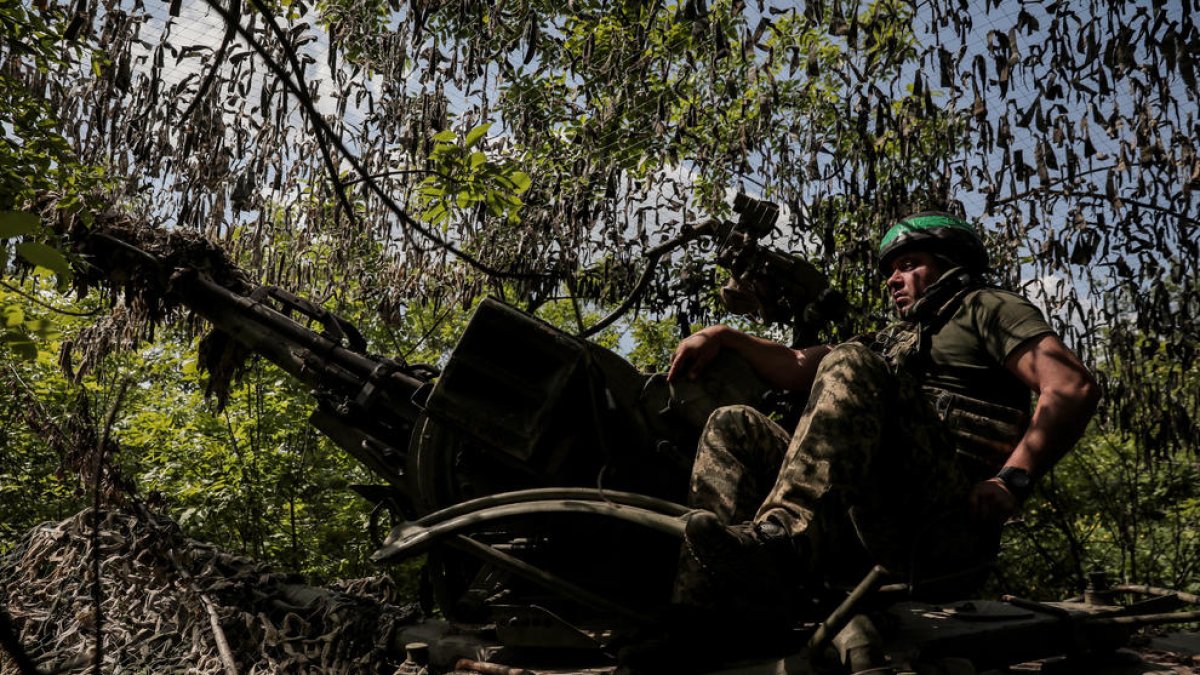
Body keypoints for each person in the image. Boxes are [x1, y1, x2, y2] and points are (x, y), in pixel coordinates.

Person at [665, 211, 1100, 627]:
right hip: (870, 520)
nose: (893, 279)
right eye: (890, 269)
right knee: (733, 424)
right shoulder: (890, 340)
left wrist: (1012, 480)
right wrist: (721, 335)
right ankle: (702, 610)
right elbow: (796, 364)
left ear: (951, 265)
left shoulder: (985, 307)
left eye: (909, 265)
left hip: (943, 525)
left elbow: (1069, 386)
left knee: (850, 360)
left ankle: (783, 540)